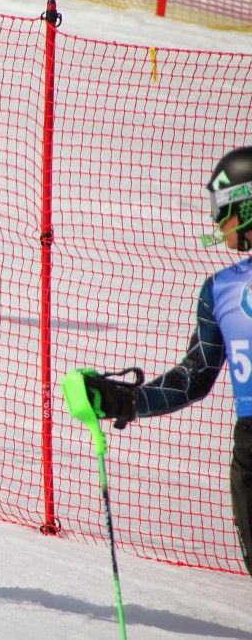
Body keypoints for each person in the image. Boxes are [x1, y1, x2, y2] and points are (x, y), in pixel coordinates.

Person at [76, 146, 252, 577]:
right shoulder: (220, 289)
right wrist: (126, 400)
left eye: (222, 208)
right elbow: (193, 377)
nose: (216, 222)